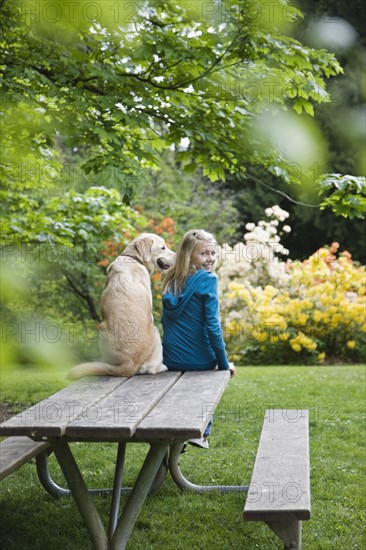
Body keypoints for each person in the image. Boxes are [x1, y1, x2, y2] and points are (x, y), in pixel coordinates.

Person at [161, 229, 236, 449]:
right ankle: (199, 431)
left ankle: (178, 435)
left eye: (213, 253)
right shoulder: (208, 280)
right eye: (204, 254)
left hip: (170, 358)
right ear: (188, 256)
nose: (210, 258)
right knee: (214, 372)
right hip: (200, 361)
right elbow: (213, 327)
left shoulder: (171, 279)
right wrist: (223, 365)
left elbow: (166, 322)